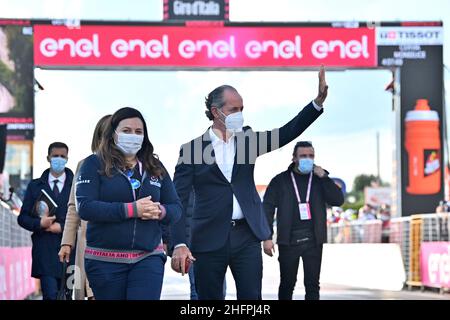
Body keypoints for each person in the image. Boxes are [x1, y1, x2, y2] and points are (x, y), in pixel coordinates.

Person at [170, 66, 329, 300]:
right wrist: (178, 243)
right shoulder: (192, 150)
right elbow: (178, 201)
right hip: (208, 238)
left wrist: (316, 103)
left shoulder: (248, 141)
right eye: (233, 109)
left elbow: (286, 132)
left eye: (241, 109)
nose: (240, 114)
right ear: (215, 111)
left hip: (246, 236)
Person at [75, 107, 182, 300]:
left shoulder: (155, 167)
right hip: (104, 261)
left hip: (148, 258)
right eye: (126, 131)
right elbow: (85, 207)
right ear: (113, 134)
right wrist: (131, 210)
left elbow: (176, 208)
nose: (133, 136)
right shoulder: (92, 164)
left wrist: (160, 211)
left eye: (138, 132)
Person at [263, 141, 344, 300]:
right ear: (294, 158)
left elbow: (338, 200)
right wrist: (266, 237)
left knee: (313, 285)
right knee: (287, 284)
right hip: (288, 240)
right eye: (303, 156)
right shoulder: (280, 180)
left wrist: (325, 178)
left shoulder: (320, 178)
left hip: (314, 239)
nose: (308, 159)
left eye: (311, 156)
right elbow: (267, 208)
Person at [58, 114, 111, 300]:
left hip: (117, 244)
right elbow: (74, 207)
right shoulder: (85, 164)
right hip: (87, 243)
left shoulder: (131, 165)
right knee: (89, 292)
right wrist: (67, 242)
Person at [18, 142, 74, 300]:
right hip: (45, 252)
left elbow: (85, 219)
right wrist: (39, 224)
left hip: (71, 253)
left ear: (67, 158)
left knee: (69, 296)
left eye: (63, 156)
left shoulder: (77, 185)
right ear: (48, 158)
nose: (59, 159)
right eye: (55, 156)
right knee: (50, 295)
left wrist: (62, 227)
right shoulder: (35, 186)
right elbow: (22, 218)